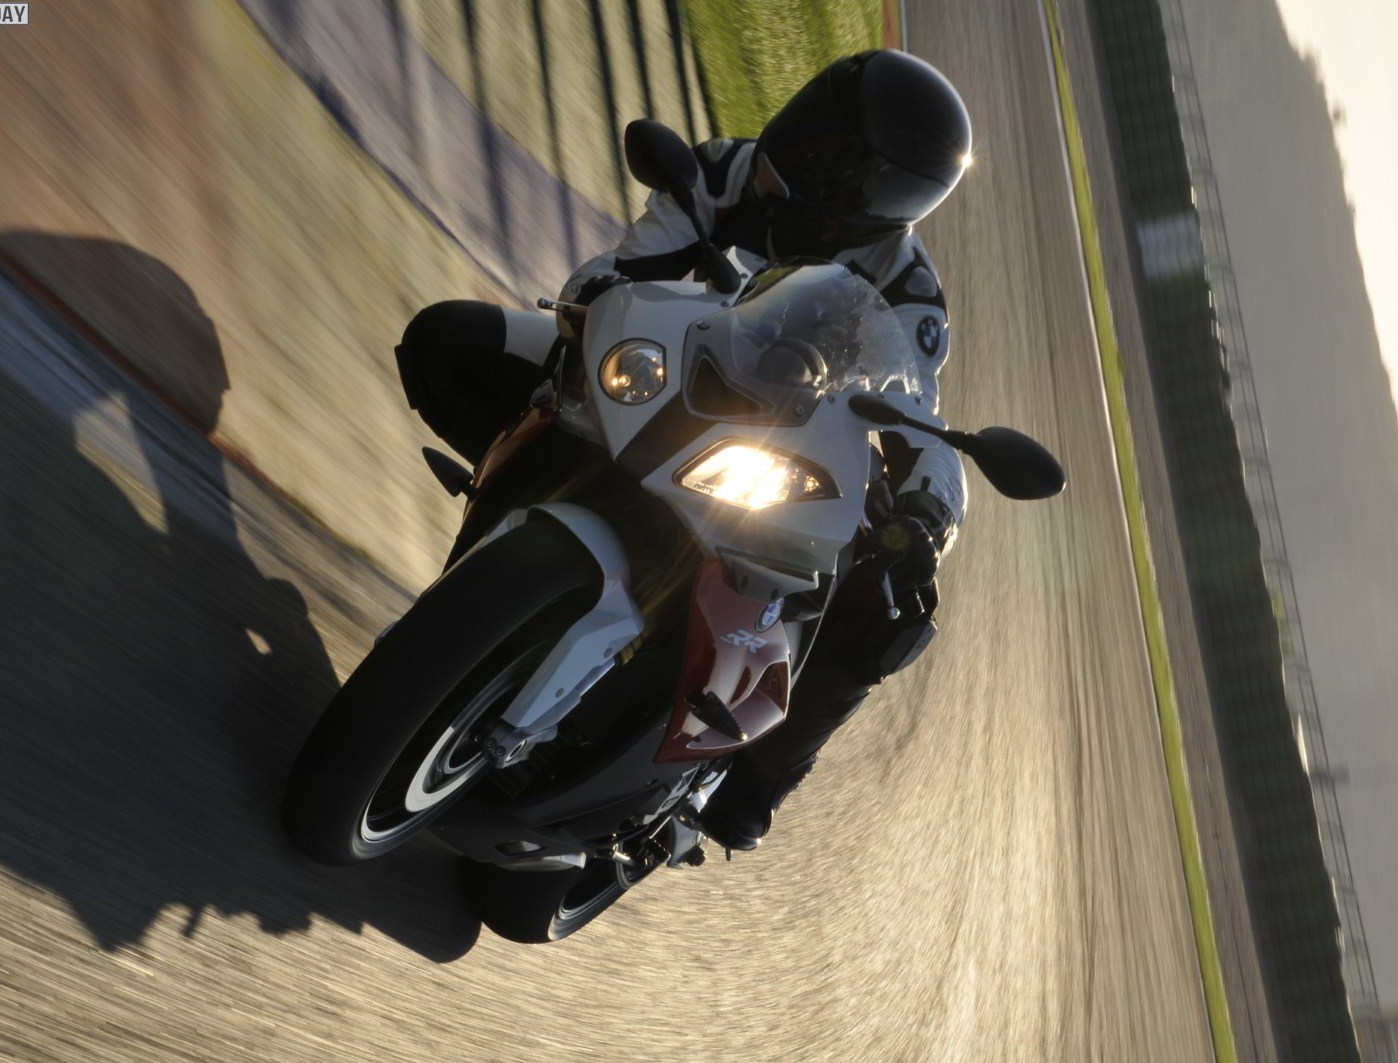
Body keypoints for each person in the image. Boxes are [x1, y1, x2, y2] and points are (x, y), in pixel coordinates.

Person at [395, 50, 974, 851]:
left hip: (784, 443)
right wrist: (594, 296)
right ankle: (508, 525)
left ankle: (758, 779)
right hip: (658, 370)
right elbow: (621, 266)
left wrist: (931, 512)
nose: (804, 150)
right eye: (813, 122)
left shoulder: (909, 292)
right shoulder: (725, 169)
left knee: (890, 602)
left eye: (837, 154)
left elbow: (918, 421)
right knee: (446, 341)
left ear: (884, 193)